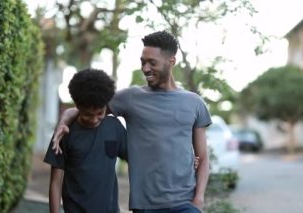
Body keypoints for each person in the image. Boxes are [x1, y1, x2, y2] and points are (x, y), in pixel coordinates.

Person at [52, 30, 211, 213]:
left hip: (185, 204)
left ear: (171, 61)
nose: (145, 68)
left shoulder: (194, 103)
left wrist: (198, 198)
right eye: (143, 62)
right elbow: (89, 107)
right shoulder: (130, 98)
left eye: (152, 63)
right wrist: (63, 121)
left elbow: (203, 157)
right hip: (145, 207)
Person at [44, 68, 127, 213]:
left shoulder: (114, 127)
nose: (94, 119)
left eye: (100, 113)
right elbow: (55, 184)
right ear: (77, 106)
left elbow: (137, 160)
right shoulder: (63, 134)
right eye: (88, 114)